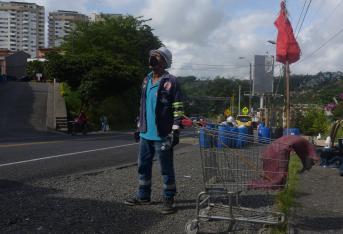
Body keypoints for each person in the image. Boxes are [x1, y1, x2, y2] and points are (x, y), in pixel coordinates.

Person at [125, 46, 184, 215]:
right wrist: (138, 125)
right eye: (152, 56)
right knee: (143, 166)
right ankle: (143, 196)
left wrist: (175, 130)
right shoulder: (146, 80)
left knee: (166, 167)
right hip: (145, 133)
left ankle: (169, 198)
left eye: (157, 56)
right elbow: (142, 105)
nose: (153, 59)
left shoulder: (171, 81)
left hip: (163, 134)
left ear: (165, 61)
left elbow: (178, 108)